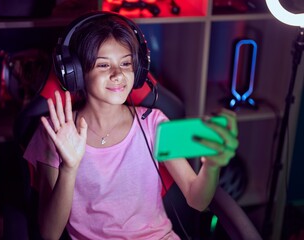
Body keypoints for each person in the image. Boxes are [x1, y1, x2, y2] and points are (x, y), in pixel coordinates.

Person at [23, 11, 239, 240]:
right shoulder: (55, 133)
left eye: (126, 63)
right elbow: (49, 234)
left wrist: (212, 166)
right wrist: (68, 168)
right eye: (103, 65)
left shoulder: (155, 122)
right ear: (76, 73)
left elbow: (197, 200)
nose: (118, 74)